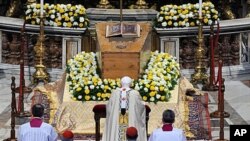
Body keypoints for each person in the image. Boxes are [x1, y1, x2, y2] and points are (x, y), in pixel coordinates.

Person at [102, 76, 147, 141]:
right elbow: (140, 107)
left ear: (121, 83)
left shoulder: (114, 93)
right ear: (131, 84)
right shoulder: (135, 93)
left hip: (117, 121)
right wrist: (143, 104)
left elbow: (109, 107)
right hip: (130, 119)